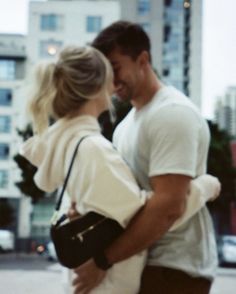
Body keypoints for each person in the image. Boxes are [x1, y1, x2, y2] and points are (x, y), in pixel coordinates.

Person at [20, 45, 219, 294]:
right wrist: (205, 186)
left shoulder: (70, 144)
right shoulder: (94, 150)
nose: (114, 85)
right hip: (109, 287)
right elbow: (149, 215)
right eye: (109, 75)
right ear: (97, 87)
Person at [71, 21, 219, 294]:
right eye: (105, 73)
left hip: (175, 268)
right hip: (139, 263)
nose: (110, 82)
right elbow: (126, 198)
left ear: (143, 60)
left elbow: (168, 207)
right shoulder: (126, 125)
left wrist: (103, 261)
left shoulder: (172, 113)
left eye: (115, 68)